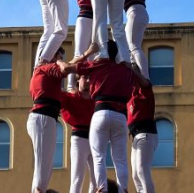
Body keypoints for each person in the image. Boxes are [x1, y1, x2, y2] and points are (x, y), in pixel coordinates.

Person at [63, 40, 150, 193]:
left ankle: (102, 189)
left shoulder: (97, 65)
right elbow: (144, 83)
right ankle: (122, 189)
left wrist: (85, 54)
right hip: (120, 115)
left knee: (99, 157)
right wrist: (129, 67)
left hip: (101, 112)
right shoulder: (125, 70)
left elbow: (67, 68)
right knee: (120, 158)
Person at [28, 47, 68, 193]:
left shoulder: (43, 71)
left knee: (45, 166)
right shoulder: (46, 69)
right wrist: (86, 54)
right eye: (60, 56)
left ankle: (39, 190)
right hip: (43, 117)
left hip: (45, 117)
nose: (61, 60)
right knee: (43, 166)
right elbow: (66, 69)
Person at [61, 75, 97, 193]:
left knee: (96, 178)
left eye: (89, 78)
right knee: (77, 178)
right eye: (84, 77)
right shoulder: (71, 97)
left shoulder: (96, 99)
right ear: (77, 80)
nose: (88, 80)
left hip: (94, 138)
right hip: (79, 138)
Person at [67, 0, 93, 91]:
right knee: (79, 52)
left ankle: (94, 86)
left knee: (95, 54)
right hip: (84, 15)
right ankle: (71, 86)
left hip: (97, 19)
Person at [128, 80, 157, 193]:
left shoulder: (144, 92)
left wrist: (136, 75)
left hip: (145, 134)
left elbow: (146, 84)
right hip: (135, 137)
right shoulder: (129, 95)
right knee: (135, 175)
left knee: (141, 170)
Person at [124, 0, 149, 78]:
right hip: (134, 12)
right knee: (130, 47)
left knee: (133, 46)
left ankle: (145, 78)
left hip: (136, 10)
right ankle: (136, 75)